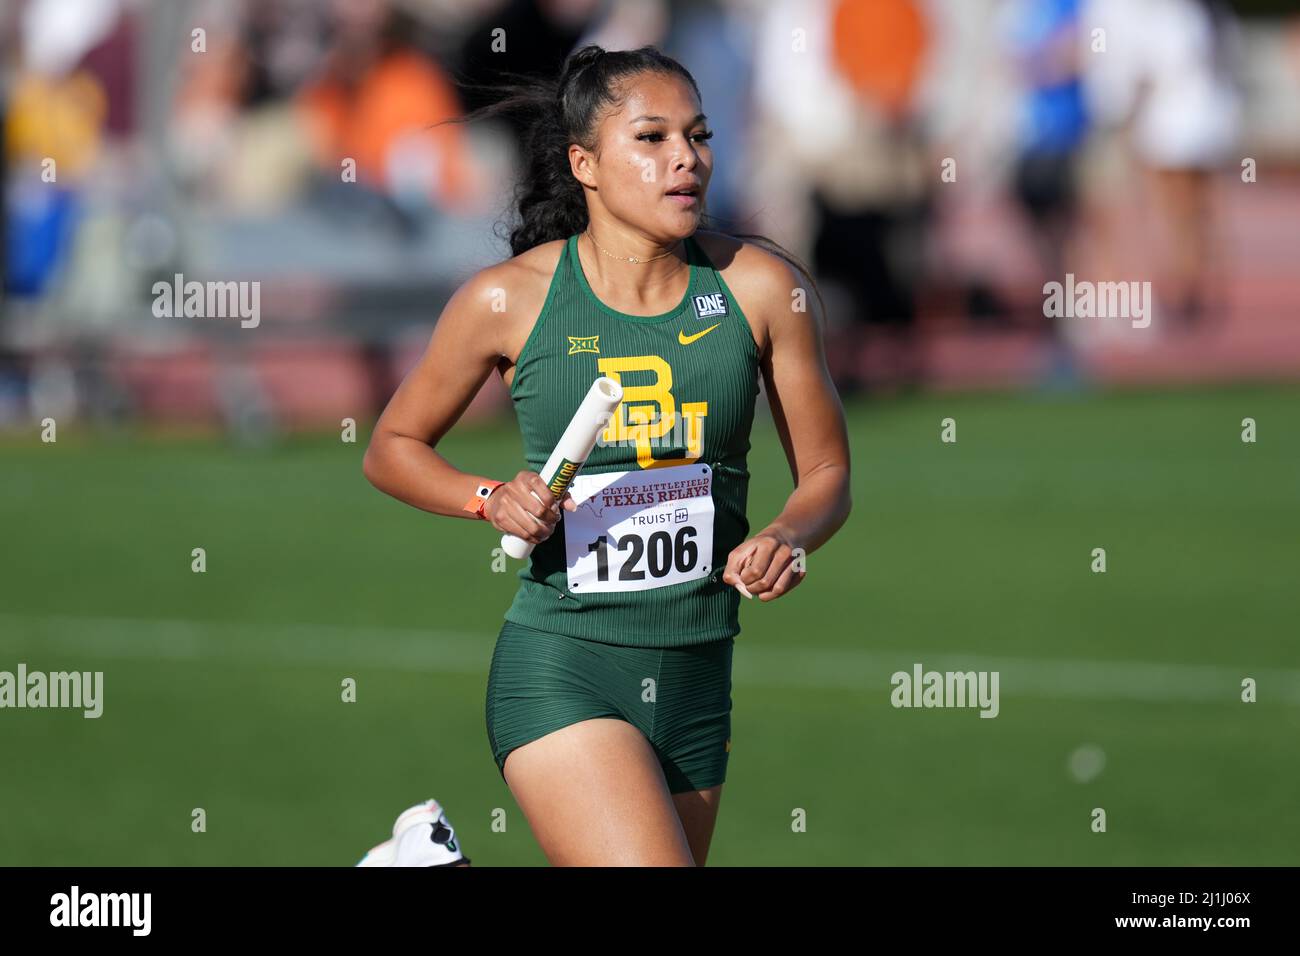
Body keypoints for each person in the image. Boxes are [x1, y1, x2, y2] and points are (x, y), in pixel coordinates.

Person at [361, 45, 852, 866]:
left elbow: (828, 476)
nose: (685, 159)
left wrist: (789, 536)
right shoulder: (507, 298)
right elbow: (391, 448)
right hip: (565, 665)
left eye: (697, 136)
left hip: (700, 675)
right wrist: (490, 499)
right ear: (584, 163)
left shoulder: (761, 290)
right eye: (652, 139)